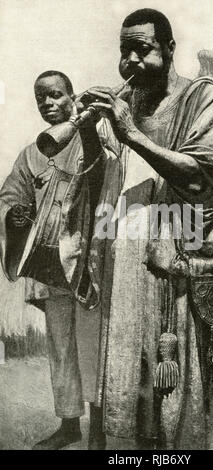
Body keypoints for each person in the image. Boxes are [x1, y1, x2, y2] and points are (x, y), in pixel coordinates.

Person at [67, 8, 213, 449]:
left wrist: (130, 133)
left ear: (169, 50)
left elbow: (204, 176)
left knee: (175, 375)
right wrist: (92, 134)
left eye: (142, 49)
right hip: (125, 258)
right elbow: (100, 183)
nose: (130, 60)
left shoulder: (202, 98)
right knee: (131, 372)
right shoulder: (124, 106)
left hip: (178, 257)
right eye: (123, 51)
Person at [0, 71, 104, 450]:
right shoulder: (31, 153)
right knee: (61, 345)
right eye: (40, 97)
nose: (47, 103)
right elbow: (10, 195)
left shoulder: (91, 135)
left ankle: (100, 426)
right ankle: (69, 423)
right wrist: (15, 215)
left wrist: (89, 129)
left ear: (72, 97)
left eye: (56, 95)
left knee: (93, 341)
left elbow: (102, 173)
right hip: (49, 265)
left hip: (88, 259)